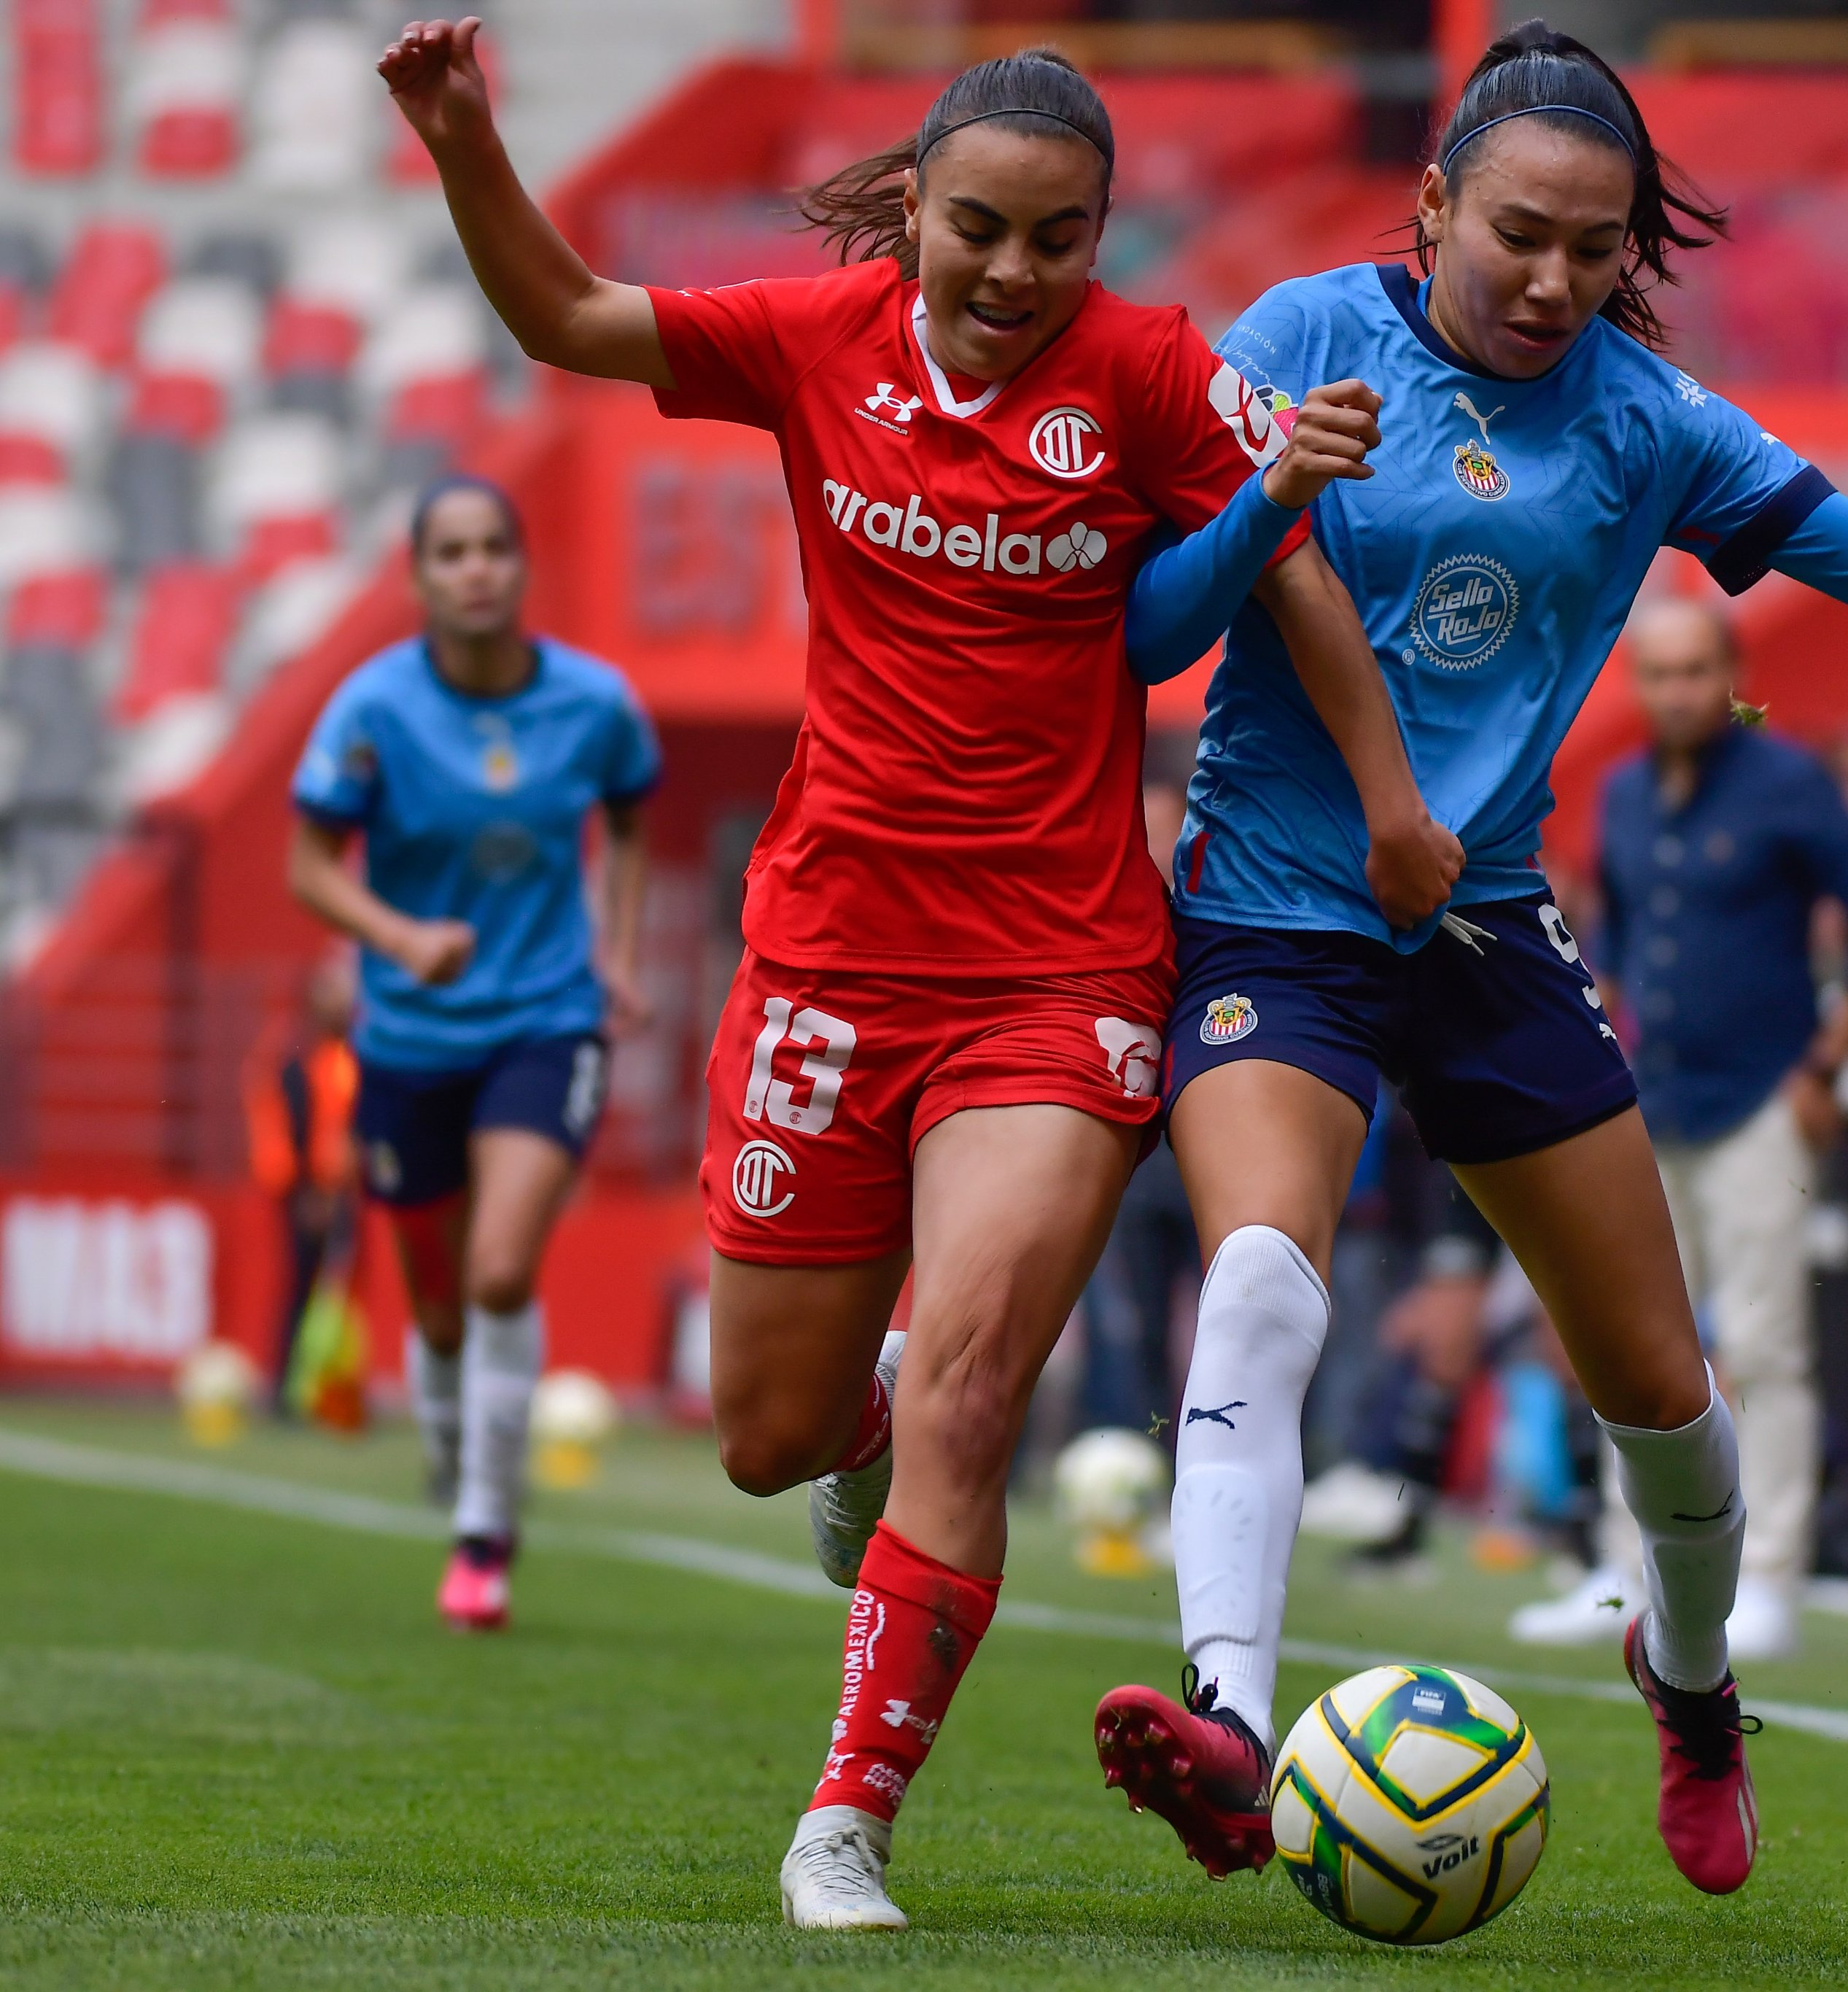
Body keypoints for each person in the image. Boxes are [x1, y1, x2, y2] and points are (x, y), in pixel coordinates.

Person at [1090, 20, 1848, 1902]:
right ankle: (1229, 1722)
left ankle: (1689, 1687)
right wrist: (1270, 492)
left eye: (1596, 247)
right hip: (1274, 914)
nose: (1553, 279)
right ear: (1433, 203)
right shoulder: (1297, 337)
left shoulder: (1647, 424)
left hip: (1483, 926)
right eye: (1518, 234)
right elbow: (1153, 623)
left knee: (1666, 1396)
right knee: (1268, 1285)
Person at [378, 20, 1397, 1931]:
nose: (1018, 274)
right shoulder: (813, 341)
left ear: (1104, 235)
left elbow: (1255, 582)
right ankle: (861, 1421)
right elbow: (569, 320)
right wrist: (461, 143)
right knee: (772, 1440)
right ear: (914, 208)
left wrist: (1391, 791)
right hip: (830, 953)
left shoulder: (1158, 375)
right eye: (985, 229)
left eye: (1063, 239)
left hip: (1061, 964)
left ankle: (846, 1815)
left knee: (977, 1374)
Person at [1507, 594, 1848, 1662]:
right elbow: (1619, 945)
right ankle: (1619, 1567)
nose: (1678, 691)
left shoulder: (1789, 781)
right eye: (1659, 672)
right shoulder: (1628, 794)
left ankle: (1769, 1573)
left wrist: (1827, 1063)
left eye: (1696, 671)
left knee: (1768, 1345)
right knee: (1628, 1344)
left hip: (1761, 1102)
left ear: (1731, 672)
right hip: (1651, 1102)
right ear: (1635, 681)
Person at [287, 470, 656, 1628]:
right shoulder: (370, 710)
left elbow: (634, 813)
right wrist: (398, 937)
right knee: (438, 1306)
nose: (476, 569)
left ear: (523, 563)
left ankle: (484, 1533)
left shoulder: (594, 702)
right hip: (406, 1037)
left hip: (546, 1021)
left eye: (494, 545)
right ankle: (452, 1438)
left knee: (501, 1267)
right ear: (418, 578)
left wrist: (620, 952)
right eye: (451, 552)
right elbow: (303, 863)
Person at [244, 950, 360, 1417]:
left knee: (339, 1295)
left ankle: (333, 1392)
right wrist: (309, 1192)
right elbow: (298, 1127)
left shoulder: (348, 1057)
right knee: (301, 1288)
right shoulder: (300, 1058)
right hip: (309, 1194)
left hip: (342, 1194)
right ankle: (282, 1391)